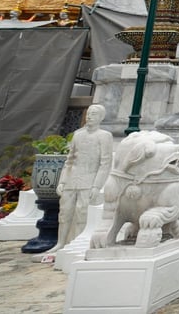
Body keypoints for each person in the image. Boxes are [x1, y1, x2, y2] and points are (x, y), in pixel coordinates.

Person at [52, 104, 113, 253]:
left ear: (100, 117)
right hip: (72, 179)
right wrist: (62, 181)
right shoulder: (78, 135)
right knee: (65, 213)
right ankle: (61, 243)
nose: (90, 116)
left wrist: (96, 186)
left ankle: (75, 243)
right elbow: (69, 160)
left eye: (94, 114)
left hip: (89, 179)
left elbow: (105, 163)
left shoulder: (104, 136)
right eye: (89, 113)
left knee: (82, 213)